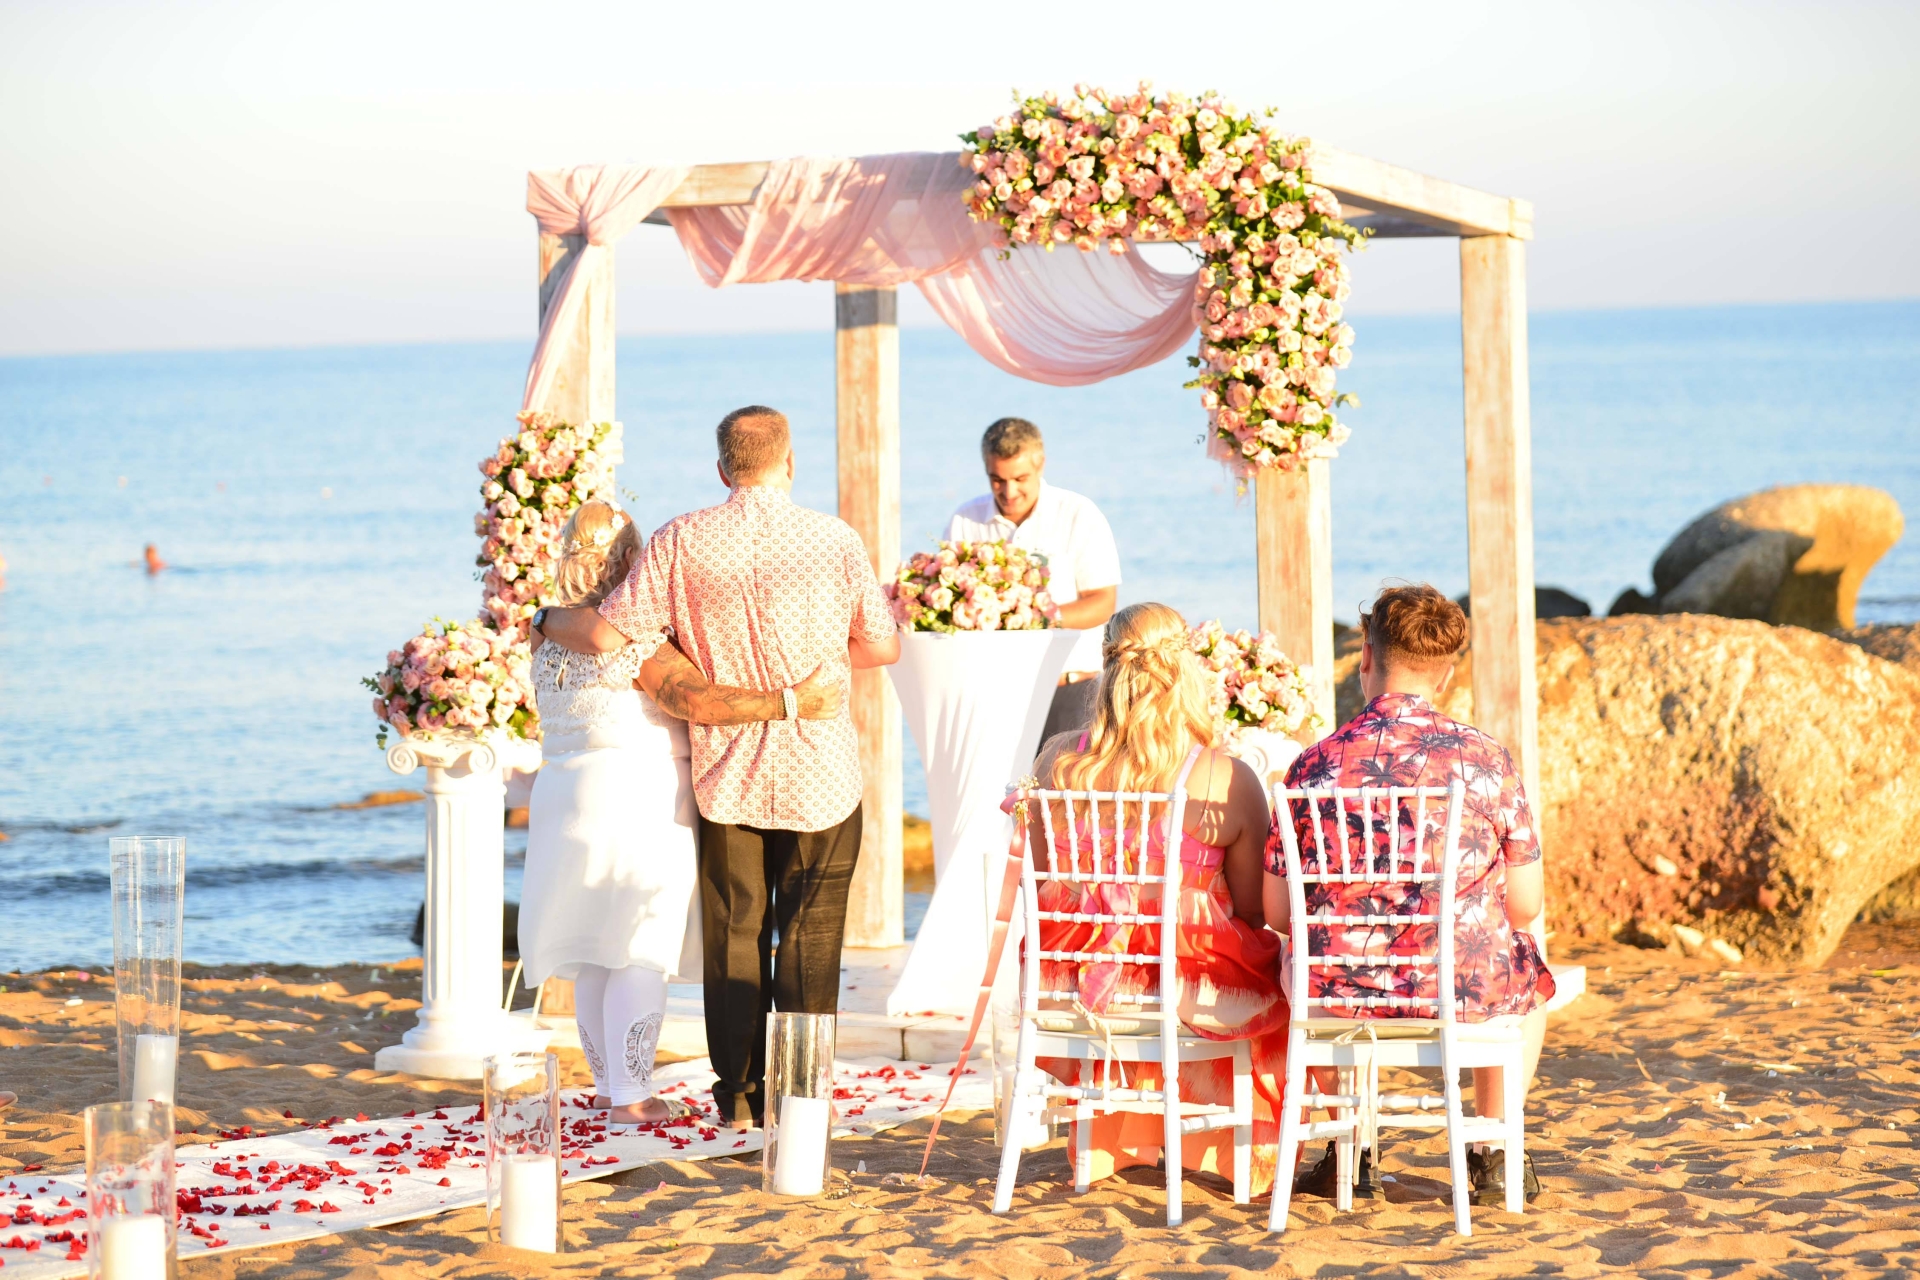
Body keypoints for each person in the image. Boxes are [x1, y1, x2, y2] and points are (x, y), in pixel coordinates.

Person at [540, 406, 900, 1128]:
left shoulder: (679, 539)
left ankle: (736, 1099)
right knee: (810, 939)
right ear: (790, 462)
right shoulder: (835, 540)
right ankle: (796, 1104)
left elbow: (610, 632)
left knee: (735, 934)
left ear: (721, 469)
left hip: (725, 772)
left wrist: (543, 618)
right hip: (820, 770)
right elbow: (883, 647)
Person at [522, 500, 842, 1124]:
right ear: (635, 560)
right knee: (641, 943)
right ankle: (634, 1097)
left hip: (561, 792)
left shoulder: (545, 632)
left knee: (595, 949)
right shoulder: (633, 641)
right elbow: (697, 700)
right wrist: (790, 701)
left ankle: (612, 1088)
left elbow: (573, 625)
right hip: (634, 794)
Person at [1264, 583, 1554, 1206]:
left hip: (1335, 992)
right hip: (1453, 985)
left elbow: (1274, 914)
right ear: (1446, 673)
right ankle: (1495, 1149)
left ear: (1366, 657)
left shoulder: (1312, 765)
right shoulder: (1486, 761)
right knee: (1526, 965)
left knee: (1337, 941)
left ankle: (1353, 1149)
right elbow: (1525, 906)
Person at [1019, 602, 1292, 1195]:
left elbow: (1043, 886)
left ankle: (1120, 1139)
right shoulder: (1223, 777)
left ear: (1107, 674)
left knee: (1160, 953)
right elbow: (1250, 909)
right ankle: (1219, 1147)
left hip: (1070, 977)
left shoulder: (1058, 762)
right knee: (1273, 967)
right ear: (1183, 671)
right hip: (1180, 985)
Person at [945, 418, 1119, 745]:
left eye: (1020, 478)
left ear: (1040, 464)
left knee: (1067, 794)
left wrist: (1030, 620)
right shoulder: (964, 521)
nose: (1009, 492)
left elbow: (1102, 603)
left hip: (1069, 691)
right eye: (997, 480)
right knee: (999, 796)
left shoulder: (1079, 514)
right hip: (993, 693)